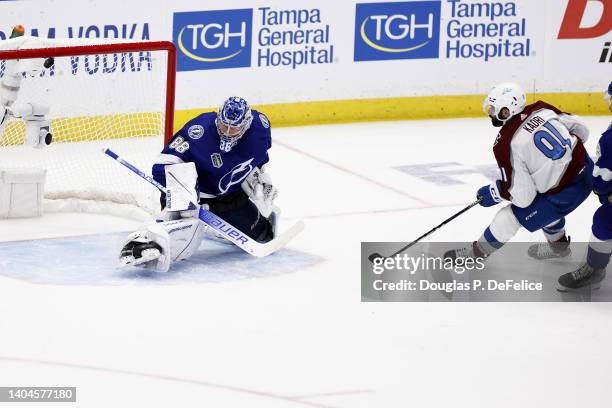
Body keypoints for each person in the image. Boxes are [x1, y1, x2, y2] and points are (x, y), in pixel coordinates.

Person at [119, 96, 279, 272]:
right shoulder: (198, 130)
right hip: (191, 193)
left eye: (233, 128)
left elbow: (260, 154)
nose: (226, 132)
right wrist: (181, 192)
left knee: (261, 237)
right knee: (184, 239)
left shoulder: (261, 127)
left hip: (228, 195)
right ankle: (141, 244)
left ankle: (247, 222)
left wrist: (258, 174)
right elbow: (163, 163)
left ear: (246, 125)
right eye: (223, 125)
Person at [445, 82, 592, 262]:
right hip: (588, 173)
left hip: (564, 195)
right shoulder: (541, 108)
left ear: (507, 110)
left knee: (508, 218)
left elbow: (523, 198)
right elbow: (582, 129)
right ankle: (559, 247)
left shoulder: (505, 144)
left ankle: (475, 254)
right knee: (542, 199)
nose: (490, 113)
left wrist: (498, 191)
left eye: (494, 109)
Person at [557, 82, 612, 291]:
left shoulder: (610, 139)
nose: (608, 104)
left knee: (604, 220)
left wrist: (601, 190)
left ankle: (594, 269)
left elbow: (602, 183)